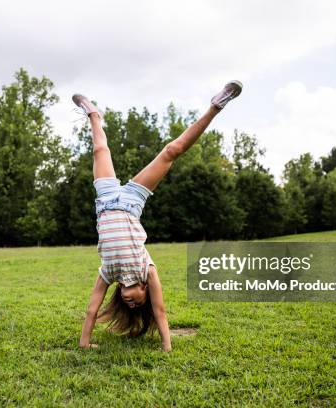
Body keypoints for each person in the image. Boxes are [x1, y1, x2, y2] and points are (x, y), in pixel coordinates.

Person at [76, 81, 243, 352]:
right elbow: (161, 310)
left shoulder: (108, 273)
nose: (134, 303)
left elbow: (92, 309)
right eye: (140, 303)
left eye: (131, 304)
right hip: (131, 203)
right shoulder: (147, 269)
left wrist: (85, 343)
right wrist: (167, 346)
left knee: (99, 150)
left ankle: (93, 115)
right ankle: (216, 105)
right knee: (171, 152)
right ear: (144, 289)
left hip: (105, 203)